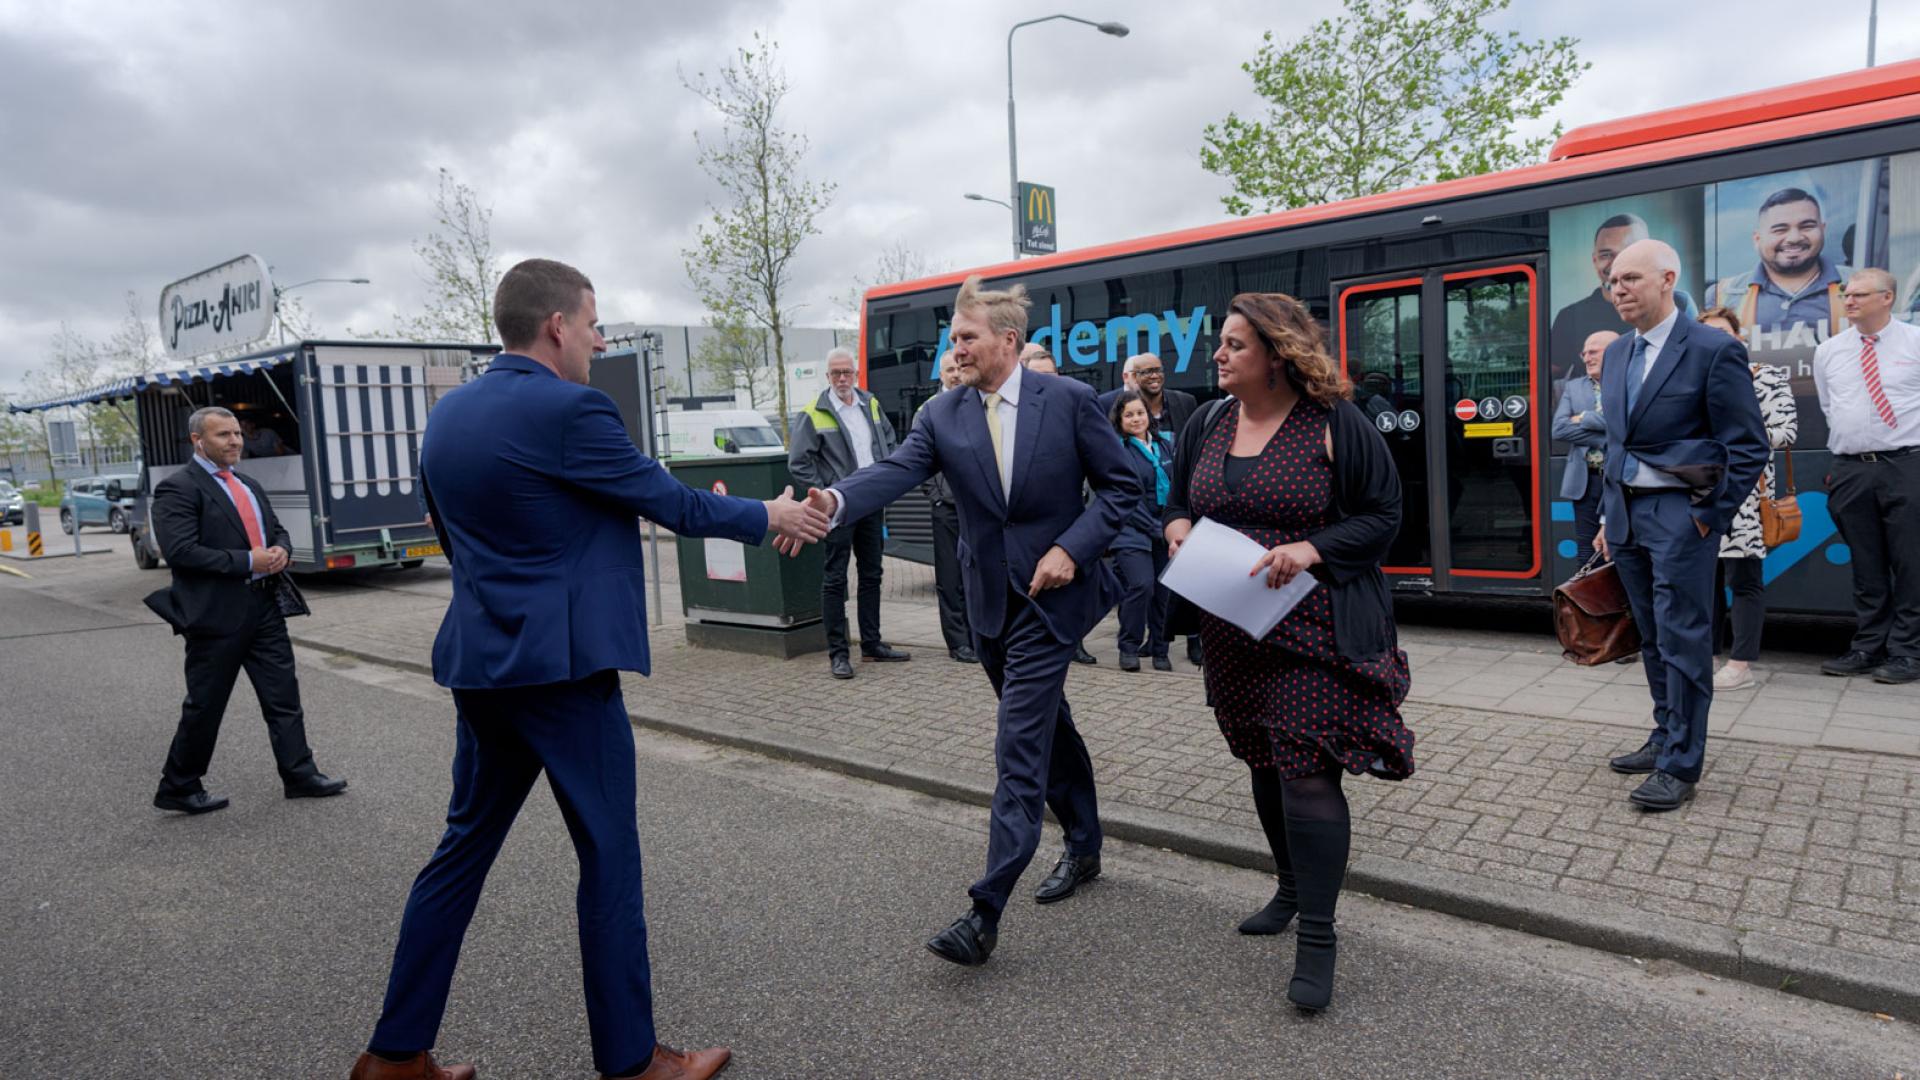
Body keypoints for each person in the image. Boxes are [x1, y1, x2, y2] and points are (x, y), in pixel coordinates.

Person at [351, 258, 830, 1080]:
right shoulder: (572, 409)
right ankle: (635, 1062)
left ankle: (395, 1055)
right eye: (594, 323)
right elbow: (667, 500)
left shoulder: (451, 414)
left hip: (483, 664)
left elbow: (464, 531)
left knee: (460, 851)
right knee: (609, 857)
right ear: (557, 327)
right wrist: (771, 512)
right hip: (564, 675)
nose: (601, 340)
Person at [811, 275, 1141, 966]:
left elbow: (1121, 488)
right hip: (990, 604)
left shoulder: (1070, 402)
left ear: (1007, 342)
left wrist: (1069, 549)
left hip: (1052, 603)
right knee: (1051, 728)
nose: (955, 349)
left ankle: (984, 910)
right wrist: (832, 504)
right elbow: (895, 472)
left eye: (967, 338)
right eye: (952, 338)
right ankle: (1086, 846)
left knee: (1018, 750)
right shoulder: (943, 414)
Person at [1162, 292, 1414, 1013]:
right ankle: (1290, 887)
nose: (1218, 355)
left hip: (1318, 631)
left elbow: (1384, 518)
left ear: (1277, 354)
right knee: (1265, 763)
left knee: (1307, 776)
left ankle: (1320, 937)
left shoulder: (1336, 425)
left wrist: (1310, 548)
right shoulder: (1208, 422)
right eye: (1220, 343)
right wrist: (1177, 526)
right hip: (1234, 630)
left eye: (1235, 345)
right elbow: (1176, 500)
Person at [1594, 240, 1768, 812]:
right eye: (1613, 281)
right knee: (1650, 636)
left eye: (1630, 279)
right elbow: (1616, 441)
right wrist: (1607, 512)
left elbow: (1747, 446)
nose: (1618, 289)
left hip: (1679, 517)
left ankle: (1681, 764)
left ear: (1668, 279)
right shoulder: (1618, 353)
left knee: (1684, 639)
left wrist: (1707, 518)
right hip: (1625, 518)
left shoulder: (1713, 350)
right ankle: (1665, 733)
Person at [145, 406, 346, 816]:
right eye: (223, 435)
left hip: (264, 606)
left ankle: (300, 775)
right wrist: (246, 561)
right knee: (205, 705)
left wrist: (281, 551)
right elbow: (181, 552)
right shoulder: (177, 489)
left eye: (237, 433)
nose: (235, 441)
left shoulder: (249, 483)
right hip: (215, 615)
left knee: (283, 697)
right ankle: (179, 785)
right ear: (198, 441)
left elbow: (277, 531)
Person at [1812, 268, 1920, 685]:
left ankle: (1908, 653)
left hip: (1907, 464)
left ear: (1887, 297)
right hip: (1852, 468)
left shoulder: (1914, 342)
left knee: (1911, 563)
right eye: (1846, 294)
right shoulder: (1830, 351)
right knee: (1866, 564)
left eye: (1859, 294)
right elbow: (1828, 407)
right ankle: (1868, 646)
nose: (1849, 301)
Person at [787, 346, 911, 679]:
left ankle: (872, 645)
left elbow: (888, 439)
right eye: (836, 373)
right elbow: (798, 462)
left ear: (855, 373)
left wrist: (886, 475)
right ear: (827, 377)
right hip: (838, 508)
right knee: (835, 579)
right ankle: (838, 655)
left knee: (873, 574)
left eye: (848, 372)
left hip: (870, 502)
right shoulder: (813, 412)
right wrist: (826, 492)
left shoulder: (870, 403)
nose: (843, 378)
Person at [1696, 307, 1797, 692]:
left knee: (1743, 579)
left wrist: (1735, 438)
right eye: (1707, 333)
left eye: (1723, 332)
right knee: (1704, 581)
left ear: (1739, 338)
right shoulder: (1693, 379)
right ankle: (1706, 657)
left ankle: (1741, 664)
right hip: (1700, 489)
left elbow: (1785, 432)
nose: (1716, 339)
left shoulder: (1764, 376)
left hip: (1744, 492)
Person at [1022, 342, 1099, 665]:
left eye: (1052, 375)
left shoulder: (1075, 406)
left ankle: (1075, 641)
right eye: (1039, 376)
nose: (1048, 383)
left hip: (1071, 519)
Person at [1706, 187, 1852, 336]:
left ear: (1823, 229)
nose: (1794, 238)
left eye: (1807, 226)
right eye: (1780, 230)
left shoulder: (1858, 284)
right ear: (1757, 239)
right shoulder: (1721, 296)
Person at [1106, 390, 1173, 672]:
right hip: (1131, 529)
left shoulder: (1165, 444)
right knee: (1141, 585)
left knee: (1164, 591)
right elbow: (1126, 496)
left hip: (1164, 528)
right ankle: (1128, 646)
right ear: (1120, 420)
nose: (1136, 419)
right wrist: (1154, 527)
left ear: (1149, 415)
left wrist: (1171, 524)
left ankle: (1160, 649)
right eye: (1129, 414)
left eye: (1140, 413)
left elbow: (1178, 483)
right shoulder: (1117, 451)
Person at [919, 351, 974, 662]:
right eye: (949, 370)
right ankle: (958, 643)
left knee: (975, 575)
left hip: (975, 507)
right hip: (947, 507)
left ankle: (977, 635)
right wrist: (936, 495)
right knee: (951, 578)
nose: (955, 374)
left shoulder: (977, 402)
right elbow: (918, 460)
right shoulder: (928, 411)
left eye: (958, 368)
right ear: (940, 375)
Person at [1552, 330, 1619, 566]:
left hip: (1621, 479)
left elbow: (1629, 425)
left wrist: (1585, 418)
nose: (1587, 357)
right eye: (1584, 353)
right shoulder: (1573, 387)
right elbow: (1559, 429)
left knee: (1622, 548)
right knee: (1587, 549)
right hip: (1586, 481)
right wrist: (1608, 436)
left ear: (1614, 351)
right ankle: (1592, 603)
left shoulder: (1630, 383)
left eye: (1593, 352)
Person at [1549, 214, 1646, 374]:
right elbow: (1550, 378)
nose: (1616, 263)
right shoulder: (1570, 316)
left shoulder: (1676, 303)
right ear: (1595, 260)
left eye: (1628, 252)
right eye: (1606, 255)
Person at [1099, 353, 1199, 443]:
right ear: (1134, 377)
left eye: (1158, 370)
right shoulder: (1122, 408)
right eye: (1147, 372)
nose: (1154, 375)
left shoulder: (1186, 402)